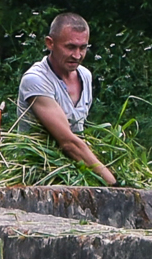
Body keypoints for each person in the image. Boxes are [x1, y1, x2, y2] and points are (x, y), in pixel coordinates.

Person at [17, 13, 117, 186]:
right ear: (50, 43)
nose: (77, 55)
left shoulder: (85, 76)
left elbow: (78, 134)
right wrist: (114, 184)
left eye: (83, 48)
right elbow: (68, 142)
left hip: (76, 168)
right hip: (40, 175)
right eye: (70, 47)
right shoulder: (36, 80)